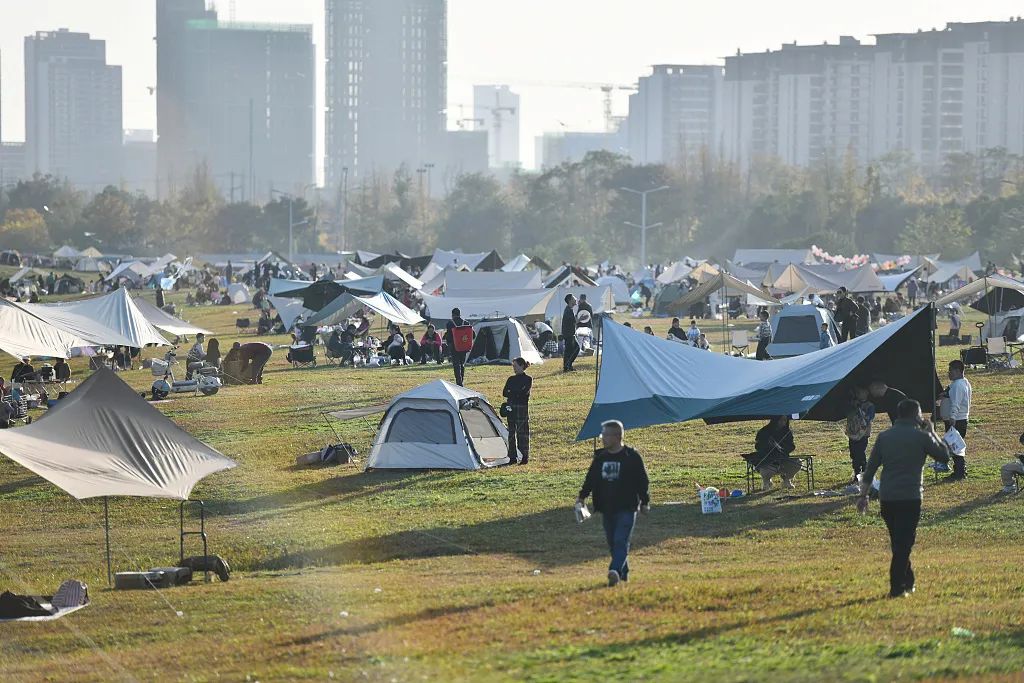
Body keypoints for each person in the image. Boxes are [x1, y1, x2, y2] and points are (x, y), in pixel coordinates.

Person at [857, 399, 951, 598]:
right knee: (904, 544)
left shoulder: (884, 437)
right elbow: (944, 456)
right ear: (916, 415)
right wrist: (932, 432)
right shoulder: (921, 437)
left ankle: (909, 581)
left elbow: (870, 469)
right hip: (910, 497)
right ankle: (896, 588)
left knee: (898, 542)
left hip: (888, 497)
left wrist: (863, 495)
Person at [576, 420, 651, 587]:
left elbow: (642, 481)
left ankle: (615, 570)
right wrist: (582, 497)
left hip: (627, 507)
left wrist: (645, 501)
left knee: (620, 540)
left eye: (606, 435)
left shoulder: (631, 457)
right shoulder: (600, 458)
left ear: (617, 437)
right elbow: (591, 479)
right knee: (612, 542)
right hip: (606, 507)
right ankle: (622, 574)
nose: (602, 438)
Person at [745, 416, 802, 490]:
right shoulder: (764, 431)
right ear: (775, 420)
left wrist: (782, 449)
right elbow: (758, 447)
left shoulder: (787, 432)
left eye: (784, 420)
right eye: (780, 420)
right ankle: (766, 482)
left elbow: (791, 446)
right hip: (768, 461)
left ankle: (786, 480)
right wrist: (769, 446)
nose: (783, 422)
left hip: (783, 459)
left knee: (798, 462)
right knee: (765, 469)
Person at [943, 359, 972, 481]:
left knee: (955, 448)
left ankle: (959, 473)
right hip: (961, 419)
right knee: (956, 446)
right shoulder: (963, 383)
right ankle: (960, 471)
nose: (949, 373)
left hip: (957, 420)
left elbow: (956, 402)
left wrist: (953, 417)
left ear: (958, 371)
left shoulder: (958, 385)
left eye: (951, 371)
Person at [502, 357, 533, 465]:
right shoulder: (511, 379)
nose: (514, 368)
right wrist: (516, 393)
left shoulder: (528, 379)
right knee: (511, 433)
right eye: (513, 366)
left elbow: (524, 393)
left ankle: (524, 456)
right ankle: (512, 457)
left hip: (521, 408)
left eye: (515, 366)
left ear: (521, 366)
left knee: (522, 433)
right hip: (511, 408)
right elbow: (505, 392)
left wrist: (513, 392)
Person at [845, 387, 876, 485]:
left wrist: (860, 410)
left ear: (866, 393)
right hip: (852, 432)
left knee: (860, 453)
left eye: (861, 392)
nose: (859, 394)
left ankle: (862, 472)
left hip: (863, 433)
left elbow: (869, 417)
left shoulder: (869, 405)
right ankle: (857, 472)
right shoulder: (852, 404)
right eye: (857, 392)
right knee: (853, 453)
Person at [446, 308, 468, 386]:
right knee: (462, 364)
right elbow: (472, 335)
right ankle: (461, 379)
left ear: (453, 314)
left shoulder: (450, 323)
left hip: (454, 347)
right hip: (464, 346)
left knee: (456, 364)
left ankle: (459, 382)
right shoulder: (466, 322)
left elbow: (448, 336)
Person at [561, 294, 580, 373]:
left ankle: (568, 366)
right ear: (569, 300)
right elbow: (573, 321)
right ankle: (567, 367)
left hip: (569, 333)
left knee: (573, 349)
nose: (575, 299)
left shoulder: (569, 309)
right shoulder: (568, 310)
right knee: (572, 350)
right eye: (573, 298)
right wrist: (581, 318)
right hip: (569, 334)